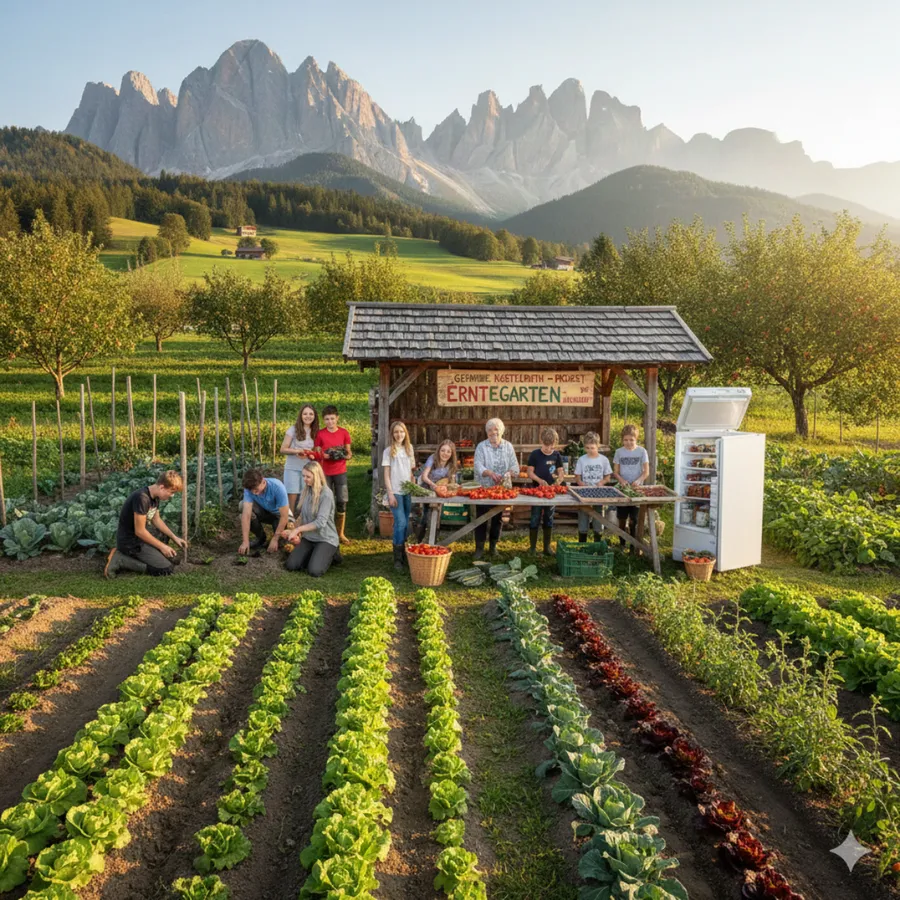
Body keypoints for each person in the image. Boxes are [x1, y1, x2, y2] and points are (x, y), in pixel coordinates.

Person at [104, 471, 187, 578]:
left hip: (140, 540)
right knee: (165, 569)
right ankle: (120, 559)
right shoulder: (142, 498)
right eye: (171, 492)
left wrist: (174, 537)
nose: (172, 496)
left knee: (166, 548)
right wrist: (162, 547)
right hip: (130, 542)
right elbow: (140, 531)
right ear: (162, 487)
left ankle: (140, 556)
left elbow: (156, 520)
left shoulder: (155, 497)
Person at [472, 418, 519, 559]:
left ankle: (493, 547)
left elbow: (515, 467)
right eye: (490, 430)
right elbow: (478, 465)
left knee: (498, 518)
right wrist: (490, 473)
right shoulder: (481, 447)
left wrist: (508, 473)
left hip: (500, 491)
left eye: (496, 429)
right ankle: (479, 548)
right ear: (487, 432)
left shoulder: (508, 446)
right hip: (483, 489)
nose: (493, 432)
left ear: (501, 431)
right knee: (481, 518)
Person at [282, 462, 340, 577]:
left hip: (325, 538)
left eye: (308, 476)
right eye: (303, 476)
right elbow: (303, 516)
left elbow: (320, 522)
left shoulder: (326, 495)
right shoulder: (307, 491)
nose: (305, 479)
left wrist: (298, 530)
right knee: (291, 565)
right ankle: (315, 554)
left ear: (316, 476)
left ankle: (333, 553)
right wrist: (293, 530)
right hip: (309, 537)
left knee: (314, 571)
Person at [314, 405, 353, 544]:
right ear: (324, 420)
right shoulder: (320, 434)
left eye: (332, 418)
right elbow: (318, 453)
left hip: (340, 471)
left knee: (342, 501)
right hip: (325, 472)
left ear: (337, 418)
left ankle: (340, 533)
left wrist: (343, 455)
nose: (330, 422)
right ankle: (326, 532)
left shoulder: (344, 433)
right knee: (326, 501)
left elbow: (349, 453)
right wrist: (326, 455)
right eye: (326, 419)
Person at [526, 427, 565, 556]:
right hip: (537, 491)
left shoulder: (557, 455)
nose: (548, 449)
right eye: (546, 446)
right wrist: (539, 480)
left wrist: (559, 480)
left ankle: (547, 547)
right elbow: (530, 472)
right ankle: (532, 548)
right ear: (541, 441)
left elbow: (560, 471)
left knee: (549, 517)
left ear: (555, 444)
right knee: (535, 517)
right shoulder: (535, 454)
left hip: (551, 493)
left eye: (551, 446)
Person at [382, 420, 415, 570]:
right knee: (400, 522)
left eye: (401, 431)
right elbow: (387, 474)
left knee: (405, 522)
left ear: (405, 433)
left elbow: (410, 471)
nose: (399, 434)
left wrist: (413, 484)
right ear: (392, 434)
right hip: (395, 492)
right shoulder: (388, 451)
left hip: (407, 491)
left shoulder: (409, 449)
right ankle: (397, 559)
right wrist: (390, 494)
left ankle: (404, 553)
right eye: (396, 432)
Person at [613, 424, 650, 550]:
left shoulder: (642, 451)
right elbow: (616, 472)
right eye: (625, 440)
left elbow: (646, 472)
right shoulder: (619, 452)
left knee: (634, 519)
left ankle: (634, 546)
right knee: (622, 518)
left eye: (631, 440)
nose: (628, 442)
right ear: (622, 440)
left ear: (636, 439)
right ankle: (622, 543)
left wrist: (639, 481)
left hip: (636, 490)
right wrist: (622, 480)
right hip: (623, 490)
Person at [415, 439, 459, 542]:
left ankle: (433, 538)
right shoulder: (432, 458)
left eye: (448, 451)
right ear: (439, 450)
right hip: (426, 486)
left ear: (452, 454)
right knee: (426, 512)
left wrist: (453, 485)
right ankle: (420, 539)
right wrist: (435, 486)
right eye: (443, 450)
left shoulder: (451, 464)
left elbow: (451, 480)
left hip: (438, 489)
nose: (445, 453)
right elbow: (424, 477)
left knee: (437, 512)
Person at [239, 469, 291, 555]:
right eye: (251, 490)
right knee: (242, 506)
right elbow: (246, 515)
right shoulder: (249, 488)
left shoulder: (277, 487)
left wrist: (275, 538)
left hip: (279, 515)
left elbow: (284, 516)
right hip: (265, 512)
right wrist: (245, 541)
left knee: (282, 543)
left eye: (256, 489)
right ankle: (260, 538)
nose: (254, 493)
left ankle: (277, 535)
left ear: (263, 481)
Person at [574, 431, 613, 543]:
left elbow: (608, 477)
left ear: (598, 446)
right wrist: (581, 483)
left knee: (598, 514)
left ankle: (597, 541)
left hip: (598, 491)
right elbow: (577, 477)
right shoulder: (582, 460)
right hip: (584, 491)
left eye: (592, 448)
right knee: (583, 514)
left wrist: (602, 482)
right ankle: (582, 543)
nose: (590, 450)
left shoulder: (603, 460)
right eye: (587, 448)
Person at [281, 404, 318, 515]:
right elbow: (283, 449)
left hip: (307, 469)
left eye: (311, 414)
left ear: (315, 416)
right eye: (305, 413)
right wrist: (297, 451)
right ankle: (290, 522)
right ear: (301, 415)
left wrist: (310, 454)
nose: (308, 416)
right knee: (291, 495)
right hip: (292, 468)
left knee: (305, 497)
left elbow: (315, 452)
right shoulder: (292, 430)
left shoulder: (316, 431)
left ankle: (302, 522)